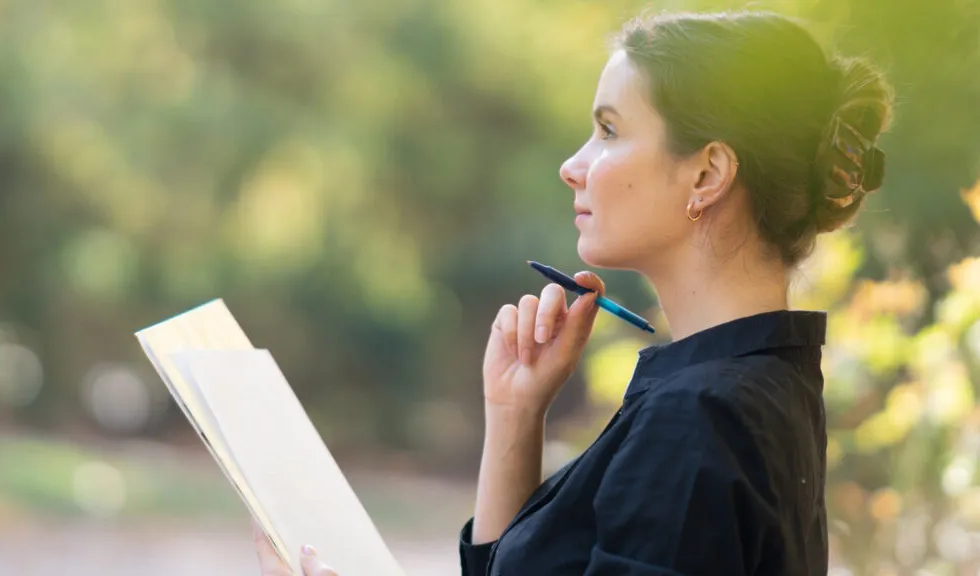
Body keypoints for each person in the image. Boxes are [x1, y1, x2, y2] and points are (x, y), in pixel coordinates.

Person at [256, 9, 894, 576]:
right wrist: (515, 415)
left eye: (610, 131)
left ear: (707, 173)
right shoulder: (760, 383)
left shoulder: (698, 417)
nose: (573, 164)